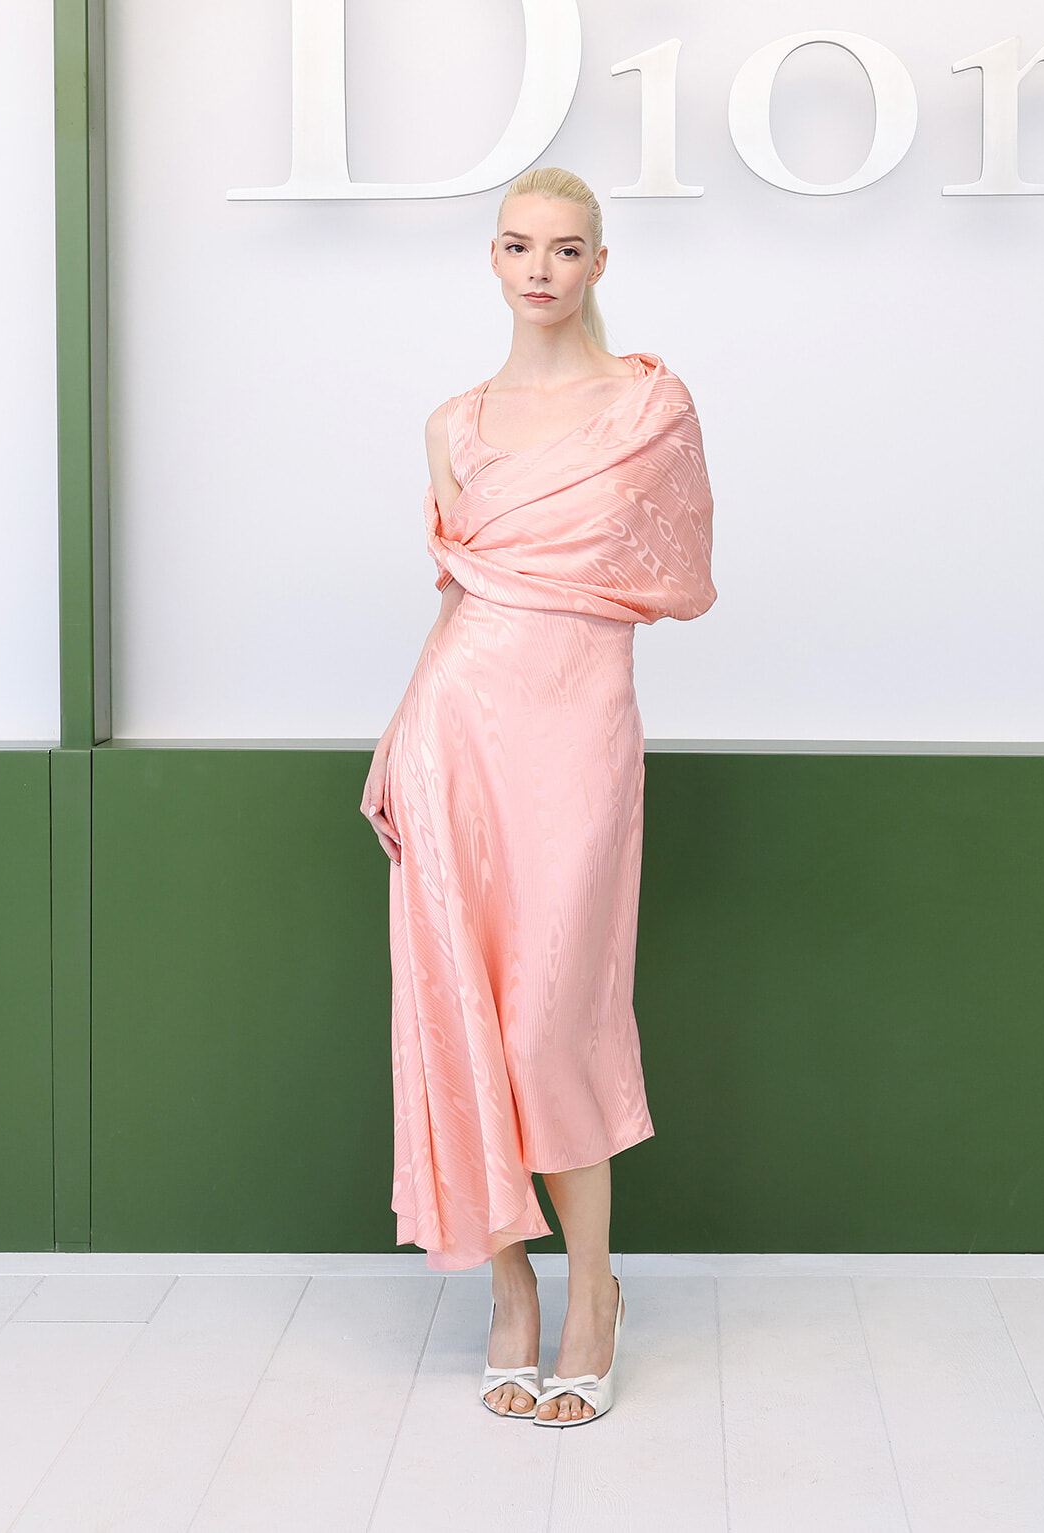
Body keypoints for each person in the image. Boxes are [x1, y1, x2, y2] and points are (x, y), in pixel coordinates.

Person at [360, 165, 717, 1426]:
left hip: (579, 730)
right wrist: (398, 734)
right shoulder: (452, 424)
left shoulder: (650, 409)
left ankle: (594, 1291)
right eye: (518, 246)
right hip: (456, 727)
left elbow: (676, 570)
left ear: (599, 263)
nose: (541, 269)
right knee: (463, 1011)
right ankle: (511, 1291)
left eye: (565, 249)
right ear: (493, 259)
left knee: (552, 1022)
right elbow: (461, 595)